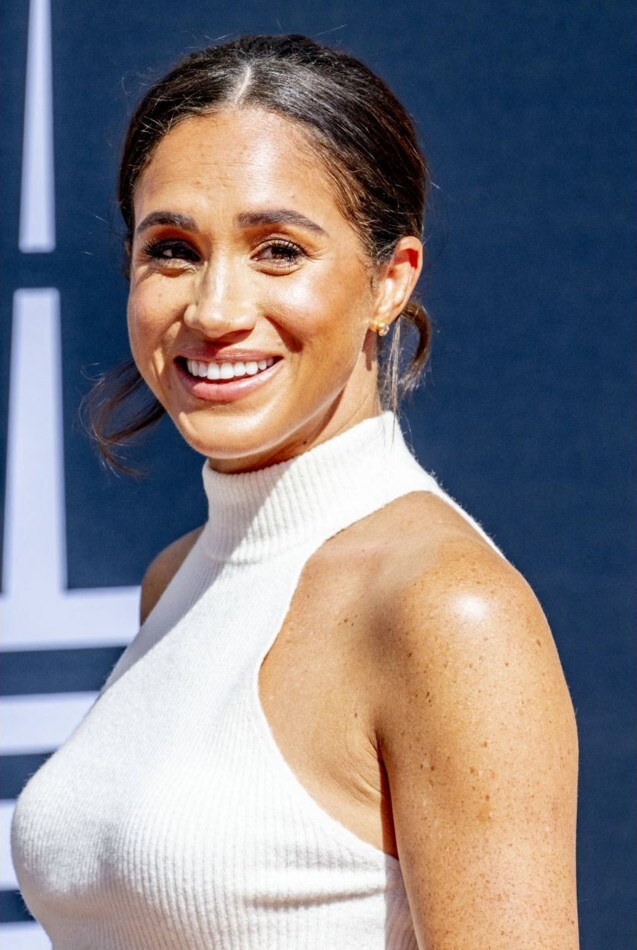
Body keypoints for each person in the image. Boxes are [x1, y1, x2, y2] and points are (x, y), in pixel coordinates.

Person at [11, 34, 578, 949]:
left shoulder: (444, 609)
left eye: (277, 250)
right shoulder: (176, 579)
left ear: (389, 281)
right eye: (173, 250)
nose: (214, 309)